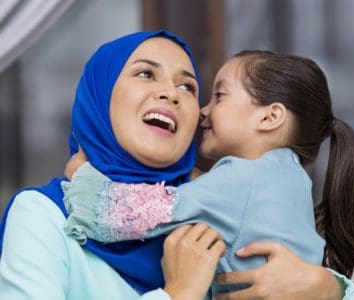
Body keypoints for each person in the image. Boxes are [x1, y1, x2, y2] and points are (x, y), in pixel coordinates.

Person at [62, 49, 354, 297]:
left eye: (219, 96)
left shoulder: (240, 178)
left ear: (270, 117)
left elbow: (132, 214)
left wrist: (83, 179)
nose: (203, 109)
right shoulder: (291, 179)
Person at [0, 30, 226, 300]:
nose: (171, 93)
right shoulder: (45, 215)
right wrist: (178, 294)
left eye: (187, 87)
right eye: (145, 74)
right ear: (100, 96)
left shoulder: (218, 218)